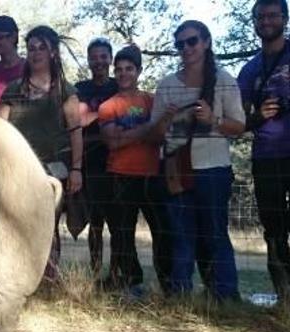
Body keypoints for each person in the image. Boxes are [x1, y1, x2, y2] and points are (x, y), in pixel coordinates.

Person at [151, 20, 246, 300]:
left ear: (206, 42)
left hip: (213, 170)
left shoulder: (226, 80)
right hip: (176, 171)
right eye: (180, 44)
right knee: (180, 237)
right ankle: (179, 298)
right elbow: (155, 135)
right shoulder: (166, 85)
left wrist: (213, 120)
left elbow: (239, 127)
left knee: (215, 235)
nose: (186, 48)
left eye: (192, 41)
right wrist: (166, 119)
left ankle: (225, 298)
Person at [0, 25, 83, 283]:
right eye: (31, 48)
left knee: (48, 224)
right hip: (16, 170)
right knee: (14, 222)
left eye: (41, 48)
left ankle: (48, 278)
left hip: (53, 170)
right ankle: (15, 278)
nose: (35, 53)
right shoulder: (13, 89)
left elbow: (76, 131)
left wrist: (77, 169)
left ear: (53, 53)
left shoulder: (66, 91)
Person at [98, 45, 173, 296]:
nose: (123, 74)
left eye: (129, 69)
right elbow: (112, 141)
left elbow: (161, 137)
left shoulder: (152, 101)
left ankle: (167, 282)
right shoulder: (108, 106)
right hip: (120, 174)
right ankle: (132, 283)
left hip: (152, 175)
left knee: (162, 232)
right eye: (118, 69)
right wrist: (147, 130)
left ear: (138, 71)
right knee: (122, 233)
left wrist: (130, 134)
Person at [238, 0, 290, 302]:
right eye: (261, 17)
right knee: (273, 228)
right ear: (255, 22)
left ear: (284, 18)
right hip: (266, 156)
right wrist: (259, 116)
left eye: (272, 15)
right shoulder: (249, 69)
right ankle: (283, 296)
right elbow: (239, 121)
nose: (266, 21)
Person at [75, 38, 119, 278]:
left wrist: (97, 116)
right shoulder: (81, 88)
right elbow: (80, 120)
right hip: (90, 162)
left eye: (103, 56)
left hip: (116, 161)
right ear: (89, 60)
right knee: (95, 223)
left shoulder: (119, 86)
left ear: (110, 59)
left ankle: (115, 273)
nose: (99, 62)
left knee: (117, 222)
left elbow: (131, 113)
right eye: (94, 57)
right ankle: (94, 271)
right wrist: (110, 113)